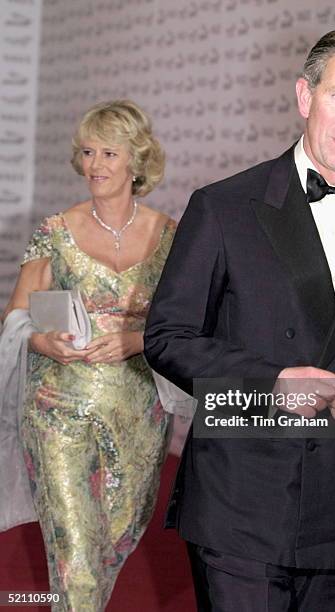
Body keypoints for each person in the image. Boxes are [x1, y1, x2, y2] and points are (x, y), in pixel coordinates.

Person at [144, 27, 335, 612]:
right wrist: (271, 383)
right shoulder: (223, 206)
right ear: (305, 97)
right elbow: (167, 337)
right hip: (242, 500)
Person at [2, 100, 176, 611]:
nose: (95, 164)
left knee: (113, 545)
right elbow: (16, 315)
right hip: (57, 407)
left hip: (139, 412)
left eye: (109, 152)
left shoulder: (170, 235)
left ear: (136, 161)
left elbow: (188, 325)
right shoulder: (55, 231)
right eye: (87, 152)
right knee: (75, 554)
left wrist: (138, 340)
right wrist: (42, 339)